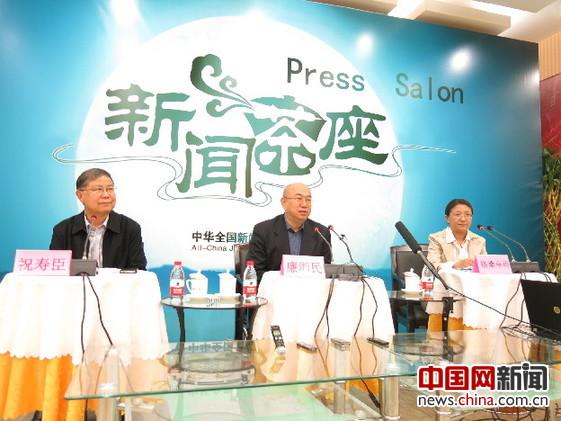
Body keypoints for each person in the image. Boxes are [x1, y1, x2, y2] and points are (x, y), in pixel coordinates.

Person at [50, 168, 147, 270]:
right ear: (80, 195)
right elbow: (55, 270)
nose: (106, 195)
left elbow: (138, 270)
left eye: (110, 189)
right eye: (98, 189)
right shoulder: (63, 230)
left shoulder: (130, 228)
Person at [246, 183, 332, 281]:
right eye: (299, 198)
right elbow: (255, 272)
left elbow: (326, 273)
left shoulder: (321, 233)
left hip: (310, 289)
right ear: (284, 202)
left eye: (308, 199)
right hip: (274, 289)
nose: (304, 204)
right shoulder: (263, 230)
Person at [426, 198, 486, 331]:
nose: (463, 219)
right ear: (447, 218)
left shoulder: (479, 240)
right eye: (458, 214)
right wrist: (455, 265)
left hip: (474, 292)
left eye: (468, 214)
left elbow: (484, 266)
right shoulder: (437, 238)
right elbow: (433, 265)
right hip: (446, 290)